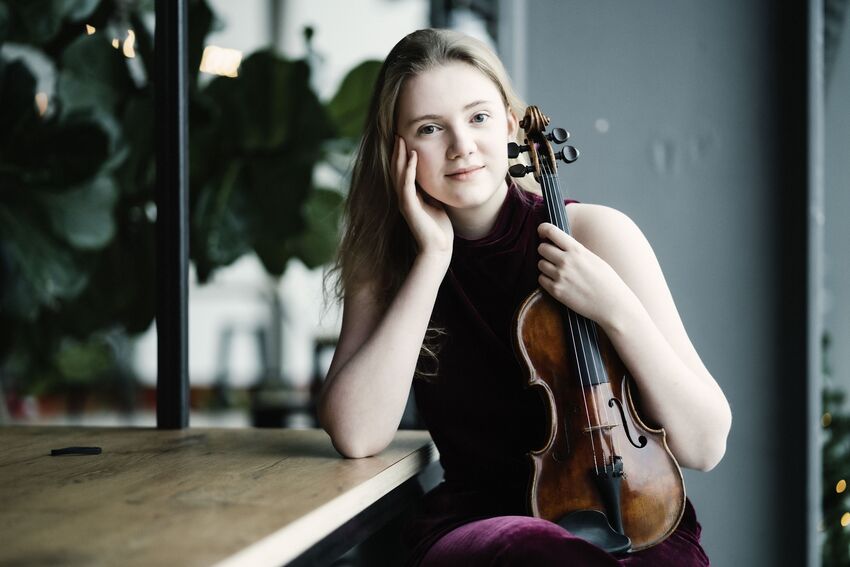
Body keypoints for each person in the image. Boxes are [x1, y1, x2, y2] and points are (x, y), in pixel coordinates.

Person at [318, 28, 732, 567]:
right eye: (429, 128)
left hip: (629, 516)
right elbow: (356, 433)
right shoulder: (388, 264)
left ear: (512, 124)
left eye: (478, 117)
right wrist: (432, 260)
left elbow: (705, 445)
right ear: (397, 150)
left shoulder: (596, 235)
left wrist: (616, 307)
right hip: (482, 527)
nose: (461, 145)